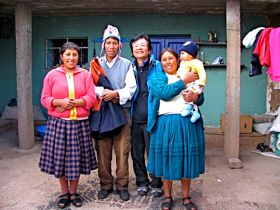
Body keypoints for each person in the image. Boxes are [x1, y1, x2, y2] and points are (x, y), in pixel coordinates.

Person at [39, 42, 97, 209]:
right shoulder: (52, 75)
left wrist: (76, 102)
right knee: (61, 160)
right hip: (58, 124)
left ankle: (74, 192)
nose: (71, 58)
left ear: (79, 57)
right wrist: (59, 102)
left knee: (75, 161)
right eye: (68, 54)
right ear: (61, 57)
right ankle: (64, 193)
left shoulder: (85, 75)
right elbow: (44, 99)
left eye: (74, 55)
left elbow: (92, 98)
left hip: (79, 125)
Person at [147, 48, 205, 210]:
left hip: (187, 123)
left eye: (171, 58)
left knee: (186, 160)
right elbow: (163, 93)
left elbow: (200, 94)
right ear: (160, 62)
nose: (167, 62)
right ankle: (167, 196)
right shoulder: (157, 77)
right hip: (165, 124)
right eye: (164, 59)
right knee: (167, 161)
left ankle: (186, 197)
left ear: (177, 60)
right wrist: (183, 82)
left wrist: (196, 98)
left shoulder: (187, 72)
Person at [94, 25, 136, 202]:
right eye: (108, 42)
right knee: (102, 152)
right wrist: (103, 93)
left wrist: (116, 94)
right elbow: (89, 86)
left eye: (115, 43)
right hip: (102, 113)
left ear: (120, 45)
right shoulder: (96, 64)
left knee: (122, 151)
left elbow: (131, 88)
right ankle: (105, 185)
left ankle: (122, 185)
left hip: (121, 113)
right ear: (104, 45)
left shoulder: (127, 64)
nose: (111, 46)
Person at [129, 33, 163, 197]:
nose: (139, 48)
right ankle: (142, 182)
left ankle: (156, 183)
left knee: (154, 152)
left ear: (149, 49)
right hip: (134, 117)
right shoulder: (130, 67)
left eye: (142, 45)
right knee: (136, 153)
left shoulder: (157, 66)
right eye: (135, 45)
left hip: (153, 117)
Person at [177, 40, 206, 123]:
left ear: (190, 55)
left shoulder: (196, 62)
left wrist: (202, 81)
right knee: (187, 94)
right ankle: (193, 112)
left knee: (190, 94)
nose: (180, 56)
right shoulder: (183, 63)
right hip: (187, 83)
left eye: (183, 53)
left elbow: (201, 71)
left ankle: (193, 112)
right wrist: (179, 75)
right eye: (180, 53)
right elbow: (181, 70)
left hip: (195, 83)